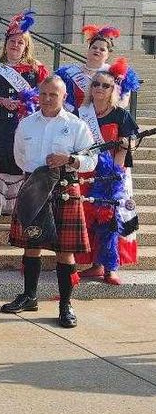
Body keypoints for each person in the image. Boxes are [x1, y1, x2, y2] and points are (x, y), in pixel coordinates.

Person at [2, 76, 97, 329]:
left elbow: (91, 161)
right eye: (43, 94)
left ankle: (65, 304)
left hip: (65, 188)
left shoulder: (77, 125)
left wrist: (70, 159)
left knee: (64, 251)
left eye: (53, 95)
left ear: (63, 97)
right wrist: (38, 177)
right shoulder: (26, 124)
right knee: (31, 245)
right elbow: (19, 156)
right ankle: (29, 296)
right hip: (34, 186)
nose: (46, 99)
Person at [0, 11, 49, 225]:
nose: (15, 45)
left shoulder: (37, 68)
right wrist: (0, 101)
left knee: (22, 164)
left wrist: (30, 102)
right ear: (5, 43)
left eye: (20, 42)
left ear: (26, 46)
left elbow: (48, 95)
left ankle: (19, 216)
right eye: (12, 41)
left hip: (25, 126)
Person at [76, 68, 140, 285]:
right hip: (86, 173)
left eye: (105, 85)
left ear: (113, 89)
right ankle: (95, 265)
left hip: (111, 175)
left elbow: (133, 140)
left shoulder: (120, 114)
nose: (99, 88)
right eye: (96, 84)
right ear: (90, 88)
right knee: (90, 218)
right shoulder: (81, 113)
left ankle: (110, 267)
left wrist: (126, 144)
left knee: (109, 220)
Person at [56, 25, 121, 111]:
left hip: (104, 118)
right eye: (94, 47)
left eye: (102, 49)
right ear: (88, 49)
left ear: (108, 54)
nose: (97, 50)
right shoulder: (68, 73)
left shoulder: (114, 74)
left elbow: (123, 100)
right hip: (75, 117)